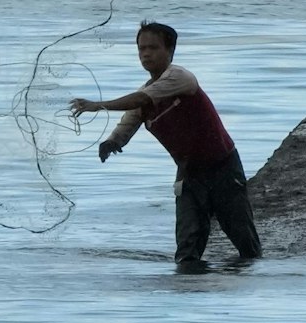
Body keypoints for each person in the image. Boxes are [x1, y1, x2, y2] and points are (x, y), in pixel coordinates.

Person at [69, 22, 262, 268]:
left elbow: (139, 100)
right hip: (189, 173)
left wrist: (98, 105)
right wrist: (111, 142)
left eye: (153, 48)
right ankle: (190, 293)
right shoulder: (145, 93)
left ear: (170, 50)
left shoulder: (180, 77)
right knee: (187, 247)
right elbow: (128, 122)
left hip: (223, 167)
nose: (145, 54)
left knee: (244, 240)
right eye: (141, 49)